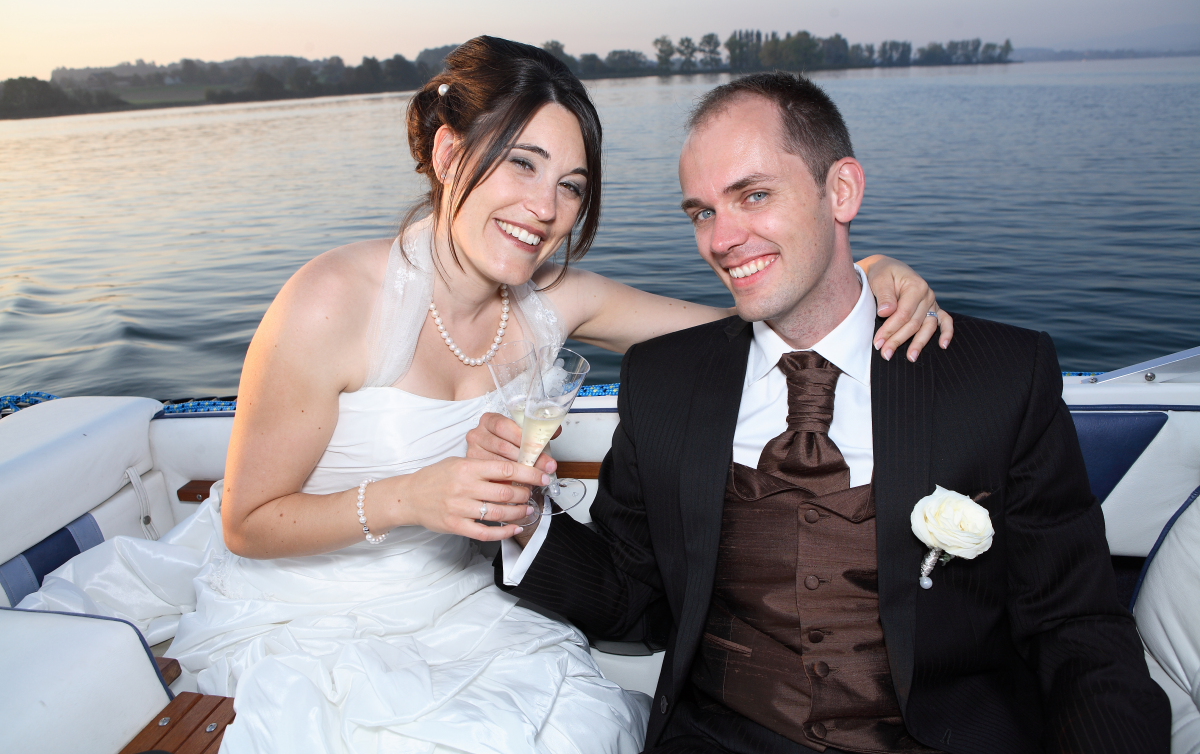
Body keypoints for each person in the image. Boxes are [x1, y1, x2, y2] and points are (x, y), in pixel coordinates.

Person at [21, 39, 950, 754]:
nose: (546, 208)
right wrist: (412, 498)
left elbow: (750, 322)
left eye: (571, 185)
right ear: (447, 150)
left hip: (477, 607)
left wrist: (864, 276)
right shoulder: (331, 300)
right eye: (522, 164)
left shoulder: (559, 301)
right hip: (318, 620)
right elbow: (247, 523)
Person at [481, 72, 1171, 754]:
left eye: (754, 195)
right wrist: (523, 517)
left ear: (841, 191)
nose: (721, 239)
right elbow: (632, 596)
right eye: (701, 212)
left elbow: (1076, 626)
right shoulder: (663, 381)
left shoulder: (998, 377)